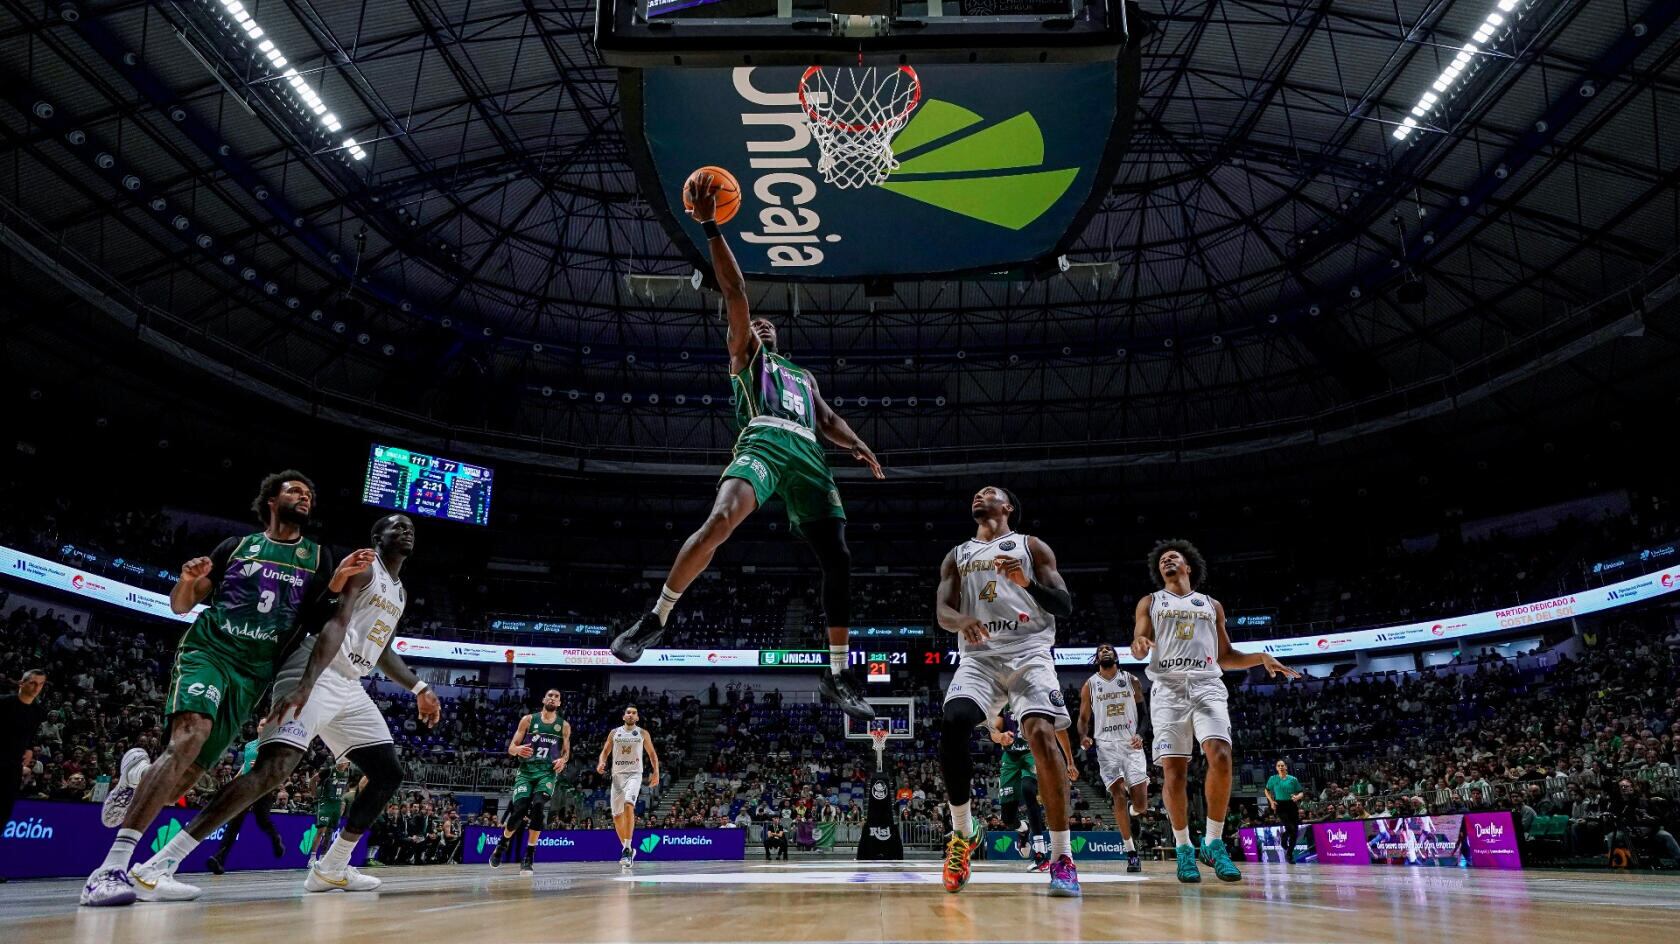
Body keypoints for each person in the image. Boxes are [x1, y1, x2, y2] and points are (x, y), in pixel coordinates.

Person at [609, 172, 881, 722]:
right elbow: (734, 292)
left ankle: (838, 674)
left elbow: (827, 419)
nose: (760, 324)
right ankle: (657, 617)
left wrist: (858, 446)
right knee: (720, 522)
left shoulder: (802, 376)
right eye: (752, 324)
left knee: (840, 559)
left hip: (810, 454)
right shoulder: (746, 360)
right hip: (763, 439)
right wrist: (710, 225)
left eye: (766, 323)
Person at [120, 512, 438, 902]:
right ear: (377, 536)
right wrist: (305, 684)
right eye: (397, 526)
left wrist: (419, 686)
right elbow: (334, 625)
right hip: (316, 669)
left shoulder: (400, 591)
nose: (406, 531)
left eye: (410, 528)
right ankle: (159, 865)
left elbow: (382, 647)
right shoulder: (364, 566)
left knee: (387, 772)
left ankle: (332, 867)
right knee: (272, 770)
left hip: (350, 683)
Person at [83, 472, 355, 906]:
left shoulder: (319, 557)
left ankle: (135, 775)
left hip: (254, 673)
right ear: (271, 499)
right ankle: (109, 869)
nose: (304, 497)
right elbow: (181, 605)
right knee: (191, 737)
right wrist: (187, 580)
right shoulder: (236, 548)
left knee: (182, 779)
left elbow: (321, 618)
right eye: (295, 490)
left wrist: (337, 583)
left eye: (309, 494)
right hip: (210, 651)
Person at [935, 486, 1081, 897]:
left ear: (1007, 507)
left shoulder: (1030, 546)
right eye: (976, 494)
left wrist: (1028, 582)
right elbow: (942, 610)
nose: (978, 496)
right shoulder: (957, 555)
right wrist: (961, 620)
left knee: (1039, 735)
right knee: (954, 722)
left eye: (989, 493)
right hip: (980, 657)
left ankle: (1061, 858)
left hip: (1029, 653)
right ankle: (963, 834)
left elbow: (1064, 605)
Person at [1131, 539, 1299, 885]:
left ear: (1188, 566)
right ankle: (1183, 848)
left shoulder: (1211, 605)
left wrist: (1261, 657)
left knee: (1221, 754)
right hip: (1169, 689)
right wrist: (1139, 644)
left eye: (1173, 557)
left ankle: (1214, 842)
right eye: (1162, 560)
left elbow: (1226, 656)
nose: (1168, 561)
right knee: (1174, 771)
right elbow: (1139, 639)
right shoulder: (1150, 601)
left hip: (1207, 684)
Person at [1079, 644, 1148, 873]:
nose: (1105, 651)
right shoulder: (1090, 685)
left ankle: (1133, 813)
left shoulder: (1131, 680)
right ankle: (1131, 852)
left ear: (1116, 656)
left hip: (1131, 743)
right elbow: (1082, 718)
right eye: (1100, 650)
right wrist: (1083, 736)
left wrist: (1140, 734)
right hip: (1106, 745)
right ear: (1097, 657)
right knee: (1118, 794)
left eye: (1109, 649)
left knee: (1141, 804)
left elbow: (1145, 715)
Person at [489, 689, 571, 876]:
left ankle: (529, 855)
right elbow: (511, 748)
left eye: (556, 697)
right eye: (549, 695)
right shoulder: (528, 720)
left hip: (546, 774)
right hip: (526, 773)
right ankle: (502, 845)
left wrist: (563, 761)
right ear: (544, 699)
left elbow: (566, 752)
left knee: (538, 807)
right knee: (518, 811)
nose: (552, 698)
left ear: (559, 703)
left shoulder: (564, 726)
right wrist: (517, 750)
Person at [203, 731, 284, 875]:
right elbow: (245, 765)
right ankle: (218, 859)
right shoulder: (249, 745)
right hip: (247, 787)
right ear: (258, 727)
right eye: (261, 724)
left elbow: (277, 768)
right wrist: (235, 780)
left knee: (262, 820)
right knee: (234, 822)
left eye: (266, 725)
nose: (263, 726)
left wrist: (263, 766)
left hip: (263, 788)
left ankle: (276, 838)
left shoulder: (274, 745)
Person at [596, 705, 660, 871]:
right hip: (617, 776)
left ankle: (626, 848)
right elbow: (604, 752)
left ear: (637, 717)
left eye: (634, 713)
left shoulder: (642, 733)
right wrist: (601, 762)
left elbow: (652, 755)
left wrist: (656, 772)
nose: (631, 715)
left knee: (628, 805)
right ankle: (628, 850)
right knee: (616, 816)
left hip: (634, 774)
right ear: (623, 716)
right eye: (628, 712)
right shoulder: (614, 732)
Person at [0, 669, 47, 883]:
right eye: (32, 683)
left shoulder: (37, 712)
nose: (36, 688)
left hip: (12, 769)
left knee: (2, 814)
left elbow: (28, 737)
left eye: (40, 684)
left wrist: (29, 749)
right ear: (22, 682)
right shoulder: (4, 703)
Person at [988, 707, 1049, 871]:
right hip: (1010, 757)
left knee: (1028, 790)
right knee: (1007, 818)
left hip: (1031, 753)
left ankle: (1040, 854)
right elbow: (994, 731)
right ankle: (1023, 830)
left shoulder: (1032, 698)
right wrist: (1000, 736)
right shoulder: (1004, 703)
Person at [307, 758, 356, 867]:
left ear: (348, 764)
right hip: (326, 802)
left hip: (337, 803)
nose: (343, 763)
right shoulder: (328, 771)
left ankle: (323, 858)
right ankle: (312, 858)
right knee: (321, 831)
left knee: (330, 832)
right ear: (338, 761)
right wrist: (315, 795)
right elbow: (312, 780)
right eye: (341, 761)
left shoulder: (348, 772)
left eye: (345, 762)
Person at [1264, 759, 1305, 863]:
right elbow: (1266, 790)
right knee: (1290, 827)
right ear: (1276, 768)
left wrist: (1297, 797)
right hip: (1280, 805)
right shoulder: (1273, 779)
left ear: (1286, 767)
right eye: (1279, 766)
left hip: (1291, 805)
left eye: (1282, 765)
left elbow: (1301, 792)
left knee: (1294, 832)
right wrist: (1272, 802)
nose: (1281, 767)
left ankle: (1289, 854)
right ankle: (1284, 836)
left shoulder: (1293, 779)